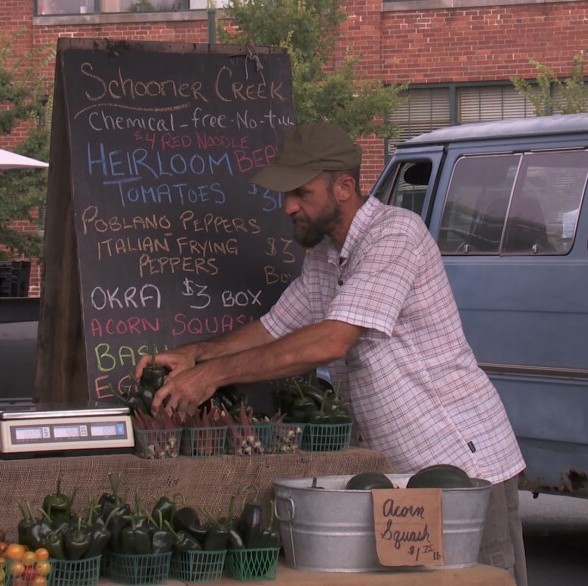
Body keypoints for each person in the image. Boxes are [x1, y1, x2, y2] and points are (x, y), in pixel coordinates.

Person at [136, 122, 528, 585]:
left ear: (343, 187)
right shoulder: (325, 256)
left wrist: (213, 376)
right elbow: (275, 327)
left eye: (300, 192)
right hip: (396, 475)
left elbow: (331, 340)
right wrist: (196, 355)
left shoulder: (394, 235)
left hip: (459, 466)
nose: (288, 206)